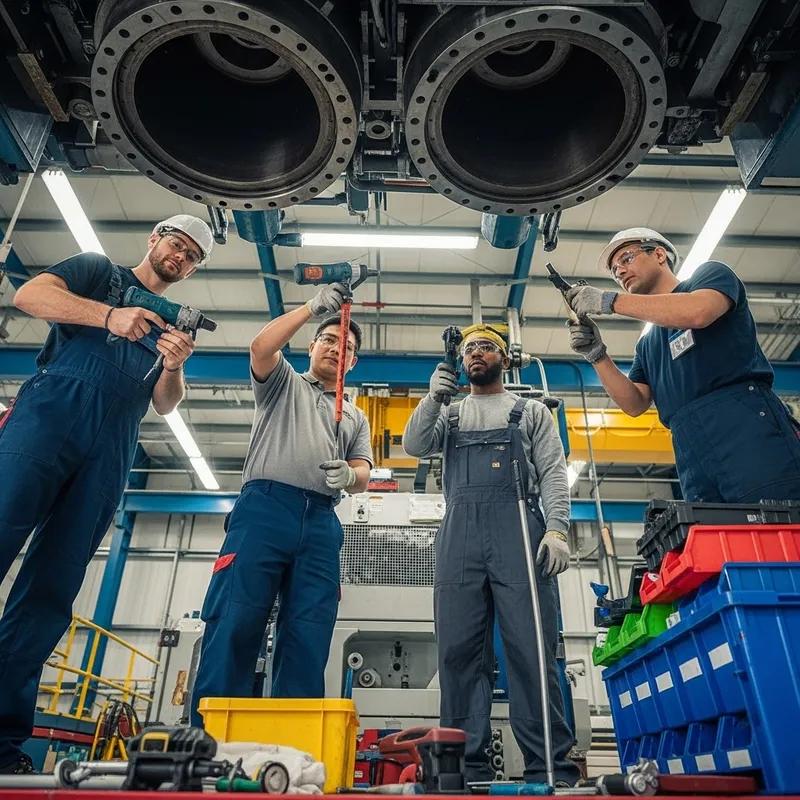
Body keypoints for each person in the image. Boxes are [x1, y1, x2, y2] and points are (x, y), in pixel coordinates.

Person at [0, 214, 212, 773]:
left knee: (51, 587)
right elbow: (29, 294)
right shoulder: (100, 273)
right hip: (50, 416)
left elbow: (165, 404)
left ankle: (0, 739)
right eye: (177, 243)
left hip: (113, 443)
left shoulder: (170, 325)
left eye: (192, 256)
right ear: (155, 238)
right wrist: (110, 315)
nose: (180, 257)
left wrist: (173, 366)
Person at [402, 324, 579, 787]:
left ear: (504, 357)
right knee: (458, 652)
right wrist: (432, 399)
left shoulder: (531, 411)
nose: (475, 354)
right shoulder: (451, 413)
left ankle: (550, 767)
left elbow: (554, 475)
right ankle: (464, 768)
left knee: (530, 650)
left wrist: (558, 529)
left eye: (485, 347)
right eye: (468, 350)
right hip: (459, 530)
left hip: (519, 525)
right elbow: (414, 446)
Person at [190, 287, 373, 726]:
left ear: (352, 363)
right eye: (328, 340)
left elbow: (364, 470)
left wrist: (350, 476)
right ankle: (209, 742)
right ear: (311, 346)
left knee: (308, 635)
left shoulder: (355, 414)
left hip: (322, 522)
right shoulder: (283, 383)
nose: (336, 349)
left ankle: (294, 746)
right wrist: (312, 307)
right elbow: (261, 346)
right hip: (264, 510)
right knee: (236, 620)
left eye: (345, 347)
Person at [566, 227, 800, 503]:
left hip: (745, 425)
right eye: (615, 270)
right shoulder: (647, 344)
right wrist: (596, 354)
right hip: (690, 446)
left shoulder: (710, 276)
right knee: (714, 538)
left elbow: (697, 312)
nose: (620, 271)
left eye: (626, 259)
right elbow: (634, 404)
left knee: (777, 522)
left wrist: (610, 301)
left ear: (659, 254)